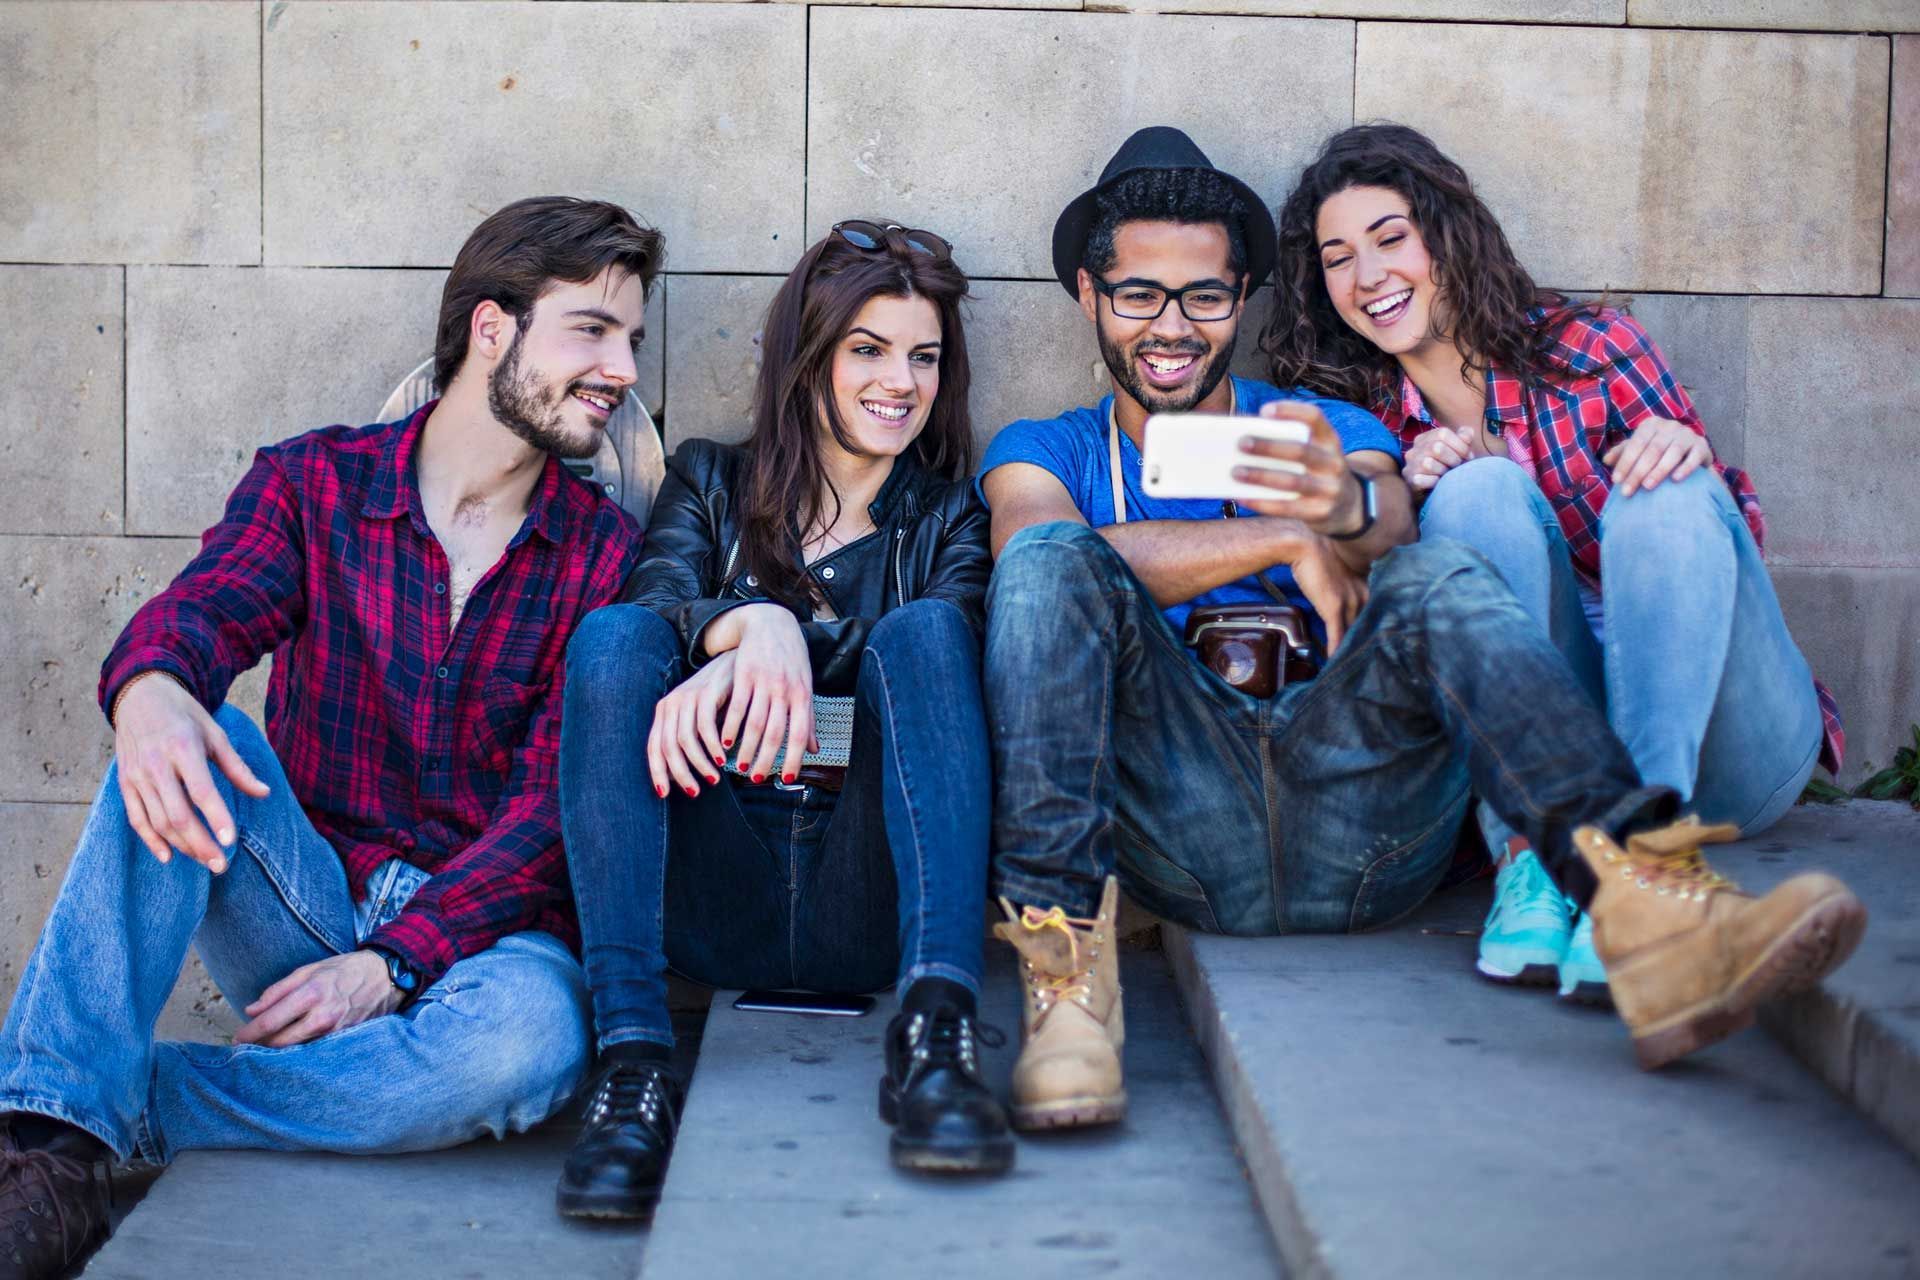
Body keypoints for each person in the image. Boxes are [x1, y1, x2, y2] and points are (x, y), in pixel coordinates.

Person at [977, 126, 1866, 1130]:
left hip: (1364, 816)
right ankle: (1066, 1001)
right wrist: (1283, 532)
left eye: (1205, 295)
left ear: (1242, 301)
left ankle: (1652, 906)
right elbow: (1033, 546)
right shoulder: (1040, 444)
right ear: (1091, 298)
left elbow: (1390, 512)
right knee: (1054, 564)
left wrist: (1347, 514)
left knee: (1437, 559)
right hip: (1176, 824)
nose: (1171, 324)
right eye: (1138, 292)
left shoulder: (1322, 422)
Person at [0, 197, 657, 1280]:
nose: (622, 366)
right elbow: (208, 608)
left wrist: (393, 964)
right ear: (492, 328)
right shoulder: (317, 483)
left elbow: (552, 812)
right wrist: (152, 687)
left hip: (481, 944)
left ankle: (99, 1098)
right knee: (184, 728)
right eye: (593, 329)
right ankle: (50, 1153)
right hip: (307, 890)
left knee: (532, 1045)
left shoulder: (602, 556)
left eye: (630, 338)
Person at [1260, 122, 1843, 1004]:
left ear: (1446, 234)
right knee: (1476, 492)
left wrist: (1677, 452)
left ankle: (1646, 864)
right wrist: (1408, 505)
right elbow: (1408, 635)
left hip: (1725, 746)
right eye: (1337, 258)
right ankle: (1533, 862)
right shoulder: (1370, 423)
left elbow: (1725, 561)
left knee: (1670, 483)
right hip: (1547, 770)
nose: (1368, 276)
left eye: (1390, 239)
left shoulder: (1593, 347)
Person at [553, 219, 1009, 1219]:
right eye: (869, 349)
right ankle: (630, 1069)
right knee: (614, 643)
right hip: (720, 878)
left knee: (930, 632)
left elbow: (951, 658)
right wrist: (743, 619)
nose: (902, 380)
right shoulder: (711, 481)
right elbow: (654, 599)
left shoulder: (949, 516)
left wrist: (777, 647)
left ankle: (938, 1037)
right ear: (810, 358)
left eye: (924, 355)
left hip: (875, 890)